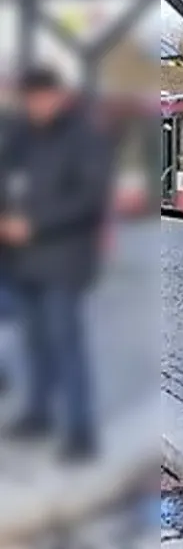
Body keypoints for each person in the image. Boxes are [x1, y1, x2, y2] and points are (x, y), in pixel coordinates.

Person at [0, 68, 113, 461]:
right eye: (30, 98)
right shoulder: (19, 138)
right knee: (34, 342)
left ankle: (80, 430)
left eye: (43, 97)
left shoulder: (82, 138)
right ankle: (39, 413)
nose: (36, 105)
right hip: (21, 261)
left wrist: (33, 224)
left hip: (63, 260)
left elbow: (89, 198)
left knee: (67, 344)